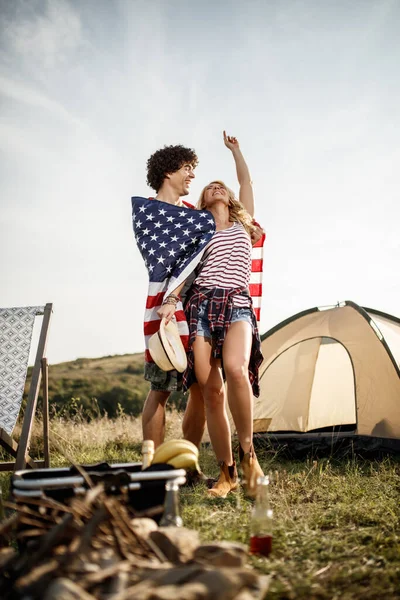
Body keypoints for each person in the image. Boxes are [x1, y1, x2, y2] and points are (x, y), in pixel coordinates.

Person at [132, 140, 264, 453]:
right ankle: (152, 468)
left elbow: (241, 193)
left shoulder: (200, 217)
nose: (192, 175)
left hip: (206, 309)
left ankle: (188, 464)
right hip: (171, 308)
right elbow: (161, 261)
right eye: (187, 169)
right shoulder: (158, 214)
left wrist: (236, 153)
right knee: (160, 388)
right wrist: (169, 299)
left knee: (203, 391)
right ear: (169, 172)